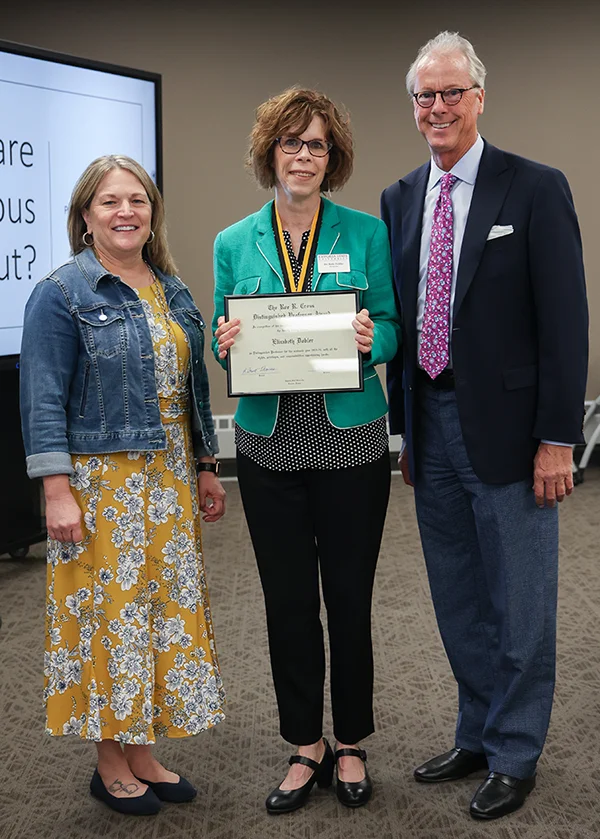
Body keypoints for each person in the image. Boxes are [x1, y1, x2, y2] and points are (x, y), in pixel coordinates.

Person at [381, 32, 588, 820]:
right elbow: (403, 316)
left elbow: (566, 324)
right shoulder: (401, 197)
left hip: (511, 432)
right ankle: (476, 729)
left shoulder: (534, 187)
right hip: (430, 428)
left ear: (479, 98)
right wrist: (405, 431)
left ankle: (515, 750)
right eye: (424, 96)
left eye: (451, 93)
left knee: (521, 600)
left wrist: (558, 438)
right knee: (459, 596)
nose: (437, 107)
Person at [20, 155, 227, 816]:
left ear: (151, 210)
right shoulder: (61, 293)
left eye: (136, 199)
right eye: (110, 201)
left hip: (166, 478)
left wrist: (204, 464)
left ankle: (142, 749)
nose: (126, 212)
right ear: (85, 215)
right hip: (100, 483)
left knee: (161, 616)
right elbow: (43, 399)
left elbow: (191, 388)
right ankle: (109, 758)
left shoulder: (170, 288)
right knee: (108, 621)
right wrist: (56, 489)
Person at [212, 87, 400, 813]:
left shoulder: (365, 232)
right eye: (291, 142)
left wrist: (370, 339)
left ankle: (349, 739)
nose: (302, 154)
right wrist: (226, 347)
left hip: (350, 441)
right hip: (269, 447)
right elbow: (229, 346)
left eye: (316, 143)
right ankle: (305, 743)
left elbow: (388, 325)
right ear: (271, 153)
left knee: (348, 599)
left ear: (333, 156)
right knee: (289, 602)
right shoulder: (235, 241)